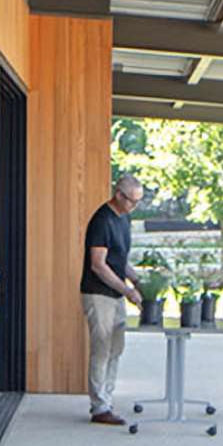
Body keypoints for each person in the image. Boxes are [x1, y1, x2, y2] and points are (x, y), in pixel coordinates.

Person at [81, 173, 145, 424]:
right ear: (118, 194)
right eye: (132, 201)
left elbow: (119, 260)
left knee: (116, 347)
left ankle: (107, 398)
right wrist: (127, 290)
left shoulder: (124, 218)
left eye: (138, 202)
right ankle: (99, 407)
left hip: (116, 293)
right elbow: (98, 264)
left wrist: (137, 280)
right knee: (102, 348)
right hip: (98, 294)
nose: (134, 206)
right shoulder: (102, 220)